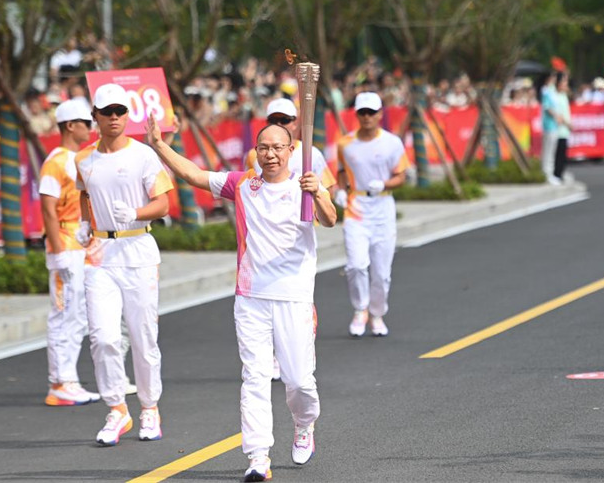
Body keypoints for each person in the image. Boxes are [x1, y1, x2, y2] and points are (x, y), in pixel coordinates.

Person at [146, 117, 337, 482]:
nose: (270, 154)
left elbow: (329, 220)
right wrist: (158, 145)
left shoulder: (306, 187)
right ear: (255, 153)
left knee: (299, 381)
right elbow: (196, 176)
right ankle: (258, 457)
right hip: (250, 297)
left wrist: (320, 194)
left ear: (291, 151)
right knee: (255, 377)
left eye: (277, 148)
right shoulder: (244, 185)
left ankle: (303, 424)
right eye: (263, 148)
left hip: (294, 297)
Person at [74, 83, 173, 446]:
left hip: (138, 249)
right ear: (95, 117)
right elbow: (85, 192)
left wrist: (134, 212)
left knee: (144, 337)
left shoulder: (143, 155)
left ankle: (149, 406)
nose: (114, 117)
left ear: (126, 115)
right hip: (99, 254)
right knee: (103, 337)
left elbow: (163, 204)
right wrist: (87, 223)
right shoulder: (83, 159)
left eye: (119, 111)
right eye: (107, 112)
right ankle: (117, 409)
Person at [244, 97, 337, 381]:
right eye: (274, 120)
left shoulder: (312, 154)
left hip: (299, 234)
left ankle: (302, 340)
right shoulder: (255, 154)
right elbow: (256, 187)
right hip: (269, 234)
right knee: (267, 302)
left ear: (296, 123)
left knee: (294, 298)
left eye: (285, 120)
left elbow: (328, 195)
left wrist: (318, 196)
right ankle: (274, 354)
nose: (280, 125)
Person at [39, 99, 101, 407]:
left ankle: (69, 379)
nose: (90, 128)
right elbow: (48, 209)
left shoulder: (79, 158)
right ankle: (60, 382)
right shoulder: (55, 161)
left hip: (80, 245)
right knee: (64, 314)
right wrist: (59, 251)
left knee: (77, 315)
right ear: (70, 126)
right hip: (63, 245)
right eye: (85, 123)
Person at [336, 92, 408, 338]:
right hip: (356, 208)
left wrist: (385, 184)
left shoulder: (392, 143)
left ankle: (377, 313)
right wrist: (342, 191)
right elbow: (342, 171)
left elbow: (402, 176)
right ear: (356, 114)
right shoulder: (345, 143)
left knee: (382, 273)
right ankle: (360, 309)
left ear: (380, 114)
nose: (366, 117)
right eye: (362, 113)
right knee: (356, 265)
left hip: (382, 207)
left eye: (371, 112)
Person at [540, 73, 560, 184]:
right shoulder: (546, 91)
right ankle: (546, 173)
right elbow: (547, 108)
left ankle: (550, 173)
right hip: (548, 125)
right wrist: (556, 116)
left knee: (552, 150)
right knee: (548, 150)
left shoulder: (552, 92)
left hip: (554, 125)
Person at [553, 73, 572, 184]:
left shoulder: (564, 96)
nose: (566, 84)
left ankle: (560, 174)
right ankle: (556, 174)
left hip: (565, 131)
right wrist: (568, 124)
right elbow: (558, 114)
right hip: (558, 129)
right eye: (564, 82)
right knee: (558, 154)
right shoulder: (555, 96)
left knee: (563, 154)